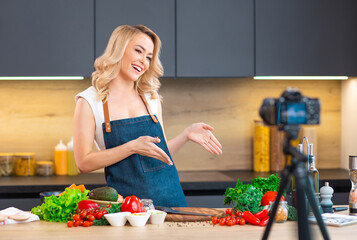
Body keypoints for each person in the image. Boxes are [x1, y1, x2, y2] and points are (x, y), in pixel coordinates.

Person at [73, 25, 222, 207]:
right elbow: (83, 163)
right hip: (129, 209)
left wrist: (186, 135)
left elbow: (160, 154)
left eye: (149, 57)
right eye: (139, 51)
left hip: (172, 202)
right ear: (119, 49)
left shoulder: (150, 99)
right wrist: (132, 147)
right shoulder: (89, 101)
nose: (144, 61)